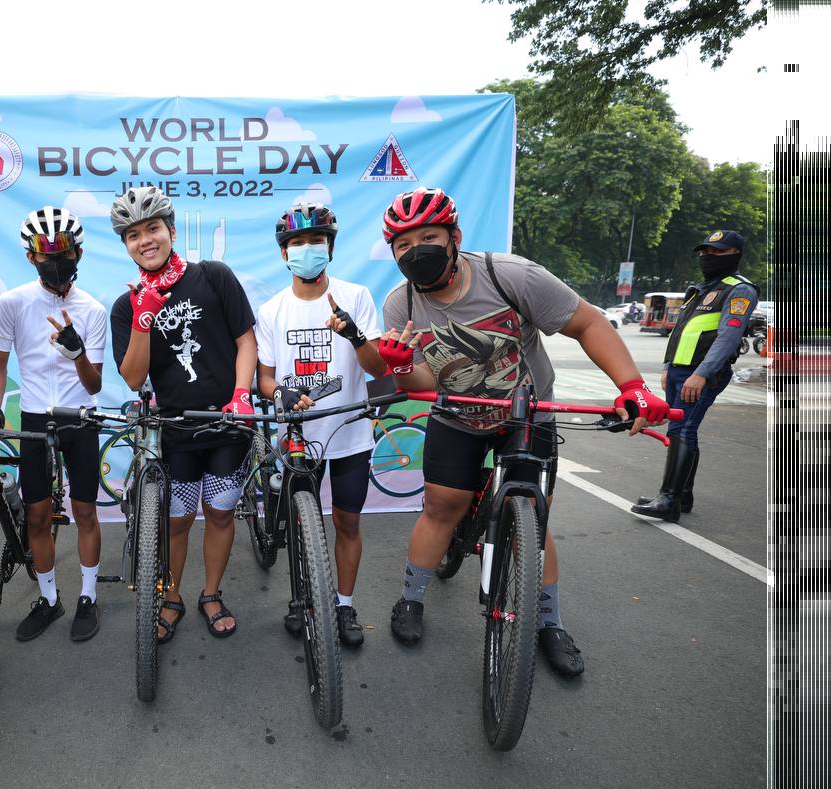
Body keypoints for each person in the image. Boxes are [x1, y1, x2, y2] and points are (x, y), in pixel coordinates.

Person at [378, 188, 670, 677]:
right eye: (403, 245)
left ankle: (549, 622)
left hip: (527, 414)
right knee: (441, 507)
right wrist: (403, 366)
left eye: (428, 237)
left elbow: (587, 323)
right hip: (457, 417)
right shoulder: (399, 305)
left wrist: (633, 387)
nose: (416, 251)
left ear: (454, 237)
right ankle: (411, 598)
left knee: (532, 517)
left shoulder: (511, 275)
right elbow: (421, 384)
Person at [109, 186, 257, 641]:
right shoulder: (125, 306)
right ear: (126, 245)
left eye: (152, 228)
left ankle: (210, 593)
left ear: (171, 230)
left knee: (221, 514)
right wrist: (143, 319)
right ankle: (171, 596)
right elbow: (133, 378)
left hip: (228, 423)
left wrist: (242, 394)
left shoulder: (213, 276)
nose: (145, 240)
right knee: (177, 521)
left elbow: (245, 341)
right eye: (133, 235)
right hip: (175, 429)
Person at [255, 202, 388, 647]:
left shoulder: (357, 297)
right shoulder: (272, 310)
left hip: (349, 433)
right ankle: (301, 599)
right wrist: (279, 393)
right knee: (299, 525)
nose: (307, 249)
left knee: (347, 523)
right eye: (297, 242)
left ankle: (344, 604)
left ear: (330, 248)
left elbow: (376, 368)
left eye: (316, 240)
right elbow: (265, 378)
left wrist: (354, 335)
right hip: (298, 438)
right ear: (284, 253)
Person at [0, 206, 108, 642]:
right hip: (35, 418)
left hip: (80, 417)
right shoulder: (13, 302)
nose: (56, 261)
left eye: (64, 253)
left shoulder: (93, 309)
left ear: (79, 253)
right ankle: (50, 598)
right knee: (37, 516)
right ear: (30, 257)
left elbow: (94, 385)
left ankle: (88, 596)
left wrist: (77, 353)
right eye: (46, 255)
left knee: (85, 511)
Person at [632, 229, 756, 522]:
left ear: (735, 254)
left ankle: (669, 500)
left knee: (681, 430)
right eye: (706, 251)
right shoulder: (699, 289)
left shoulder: (739, 290)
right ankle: (681, 495)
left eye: (717, 251)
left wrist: (701, 374)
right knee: (684, 429)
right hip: (679, 370)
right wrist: (667, 366)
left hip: (701, 374)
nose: (708, 256)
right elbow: (680, 330)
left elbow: (728, 336)